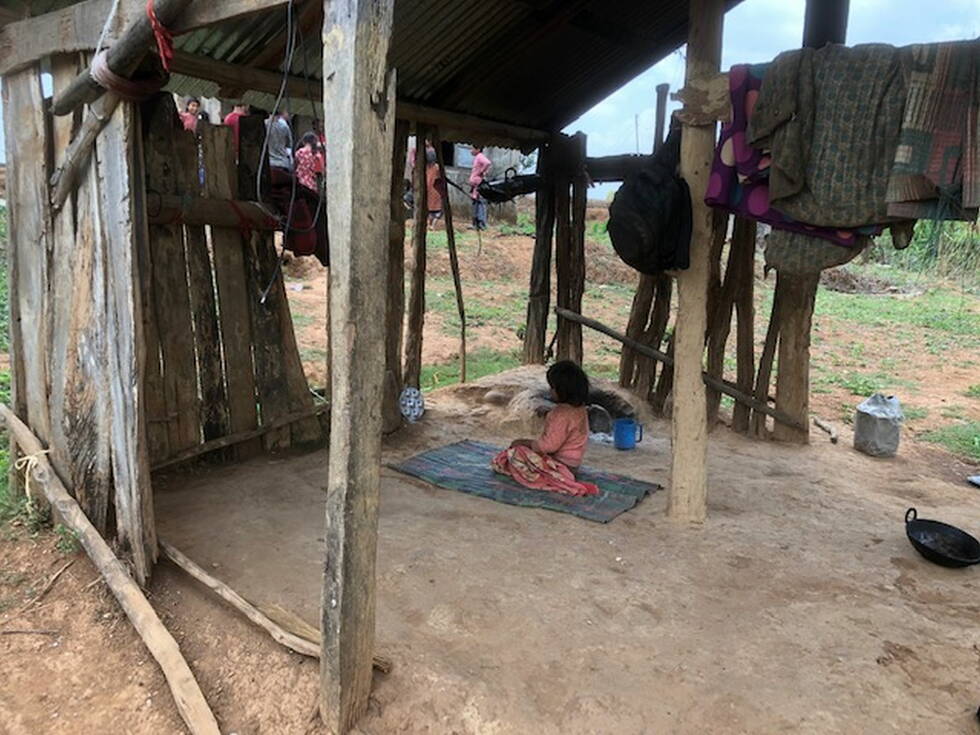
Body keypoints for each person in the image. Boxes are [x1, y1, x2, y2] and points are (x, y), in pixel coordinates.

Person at [491, 361, 599, 496]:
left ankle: (548, 477)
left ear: (562, 390)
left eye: (552, 387)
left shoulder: (560, 414)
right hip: (573, 466)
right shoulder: (579, 409)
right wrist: (549, 414)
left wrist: (525, 442)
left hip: (559, 467)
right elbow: (567, 424)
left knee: (516, 452)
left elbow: (548, 446)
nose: (550, 391)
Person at [265, 112, 329, 266]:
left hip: (274, 170)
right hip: (307, 181)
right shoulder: (316, 153)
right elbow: (320, 168)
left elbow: (295, 163)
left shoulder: (300, 153)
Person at [468, 145, 492, 230]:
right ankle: (475, 223)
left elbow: (487, 163)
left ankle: (482, 223)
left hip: (478, 183)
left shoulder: (480, 157)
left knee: (480, 202)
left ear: (478, 149)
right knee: (475, 202)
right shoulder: (477, 157)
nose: (471, 150)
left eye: (472, 149)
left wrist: (481, 171)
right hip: (475, 184)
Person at [425, 148, 444, 225]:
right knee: (437, 210)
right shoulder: (437, 167)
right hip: (435, 189)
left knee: (431, 209)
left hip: (431, 190)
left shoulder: (426, 167)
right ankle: (432, 224)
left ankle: (430, 224)